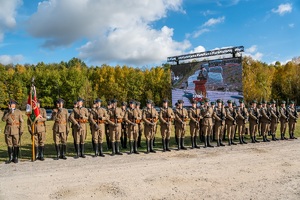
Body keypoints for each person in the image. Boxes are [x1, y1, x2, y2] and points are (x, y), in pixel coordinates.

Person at [2, 99, 24, 164]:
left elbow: (21, 121)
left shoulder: (18, 111)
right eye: (9, 104)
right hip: (8, 130)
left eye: (10, 104)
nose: (9, 105)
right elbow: (3, 119)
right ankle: (10, 158)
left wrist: (21, 129)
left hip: (16, 129)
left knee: (16, 144)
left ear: (14, 105)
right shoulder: (6, 111)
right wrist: (9, 112)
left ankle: (15, 157)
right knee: (9, 144)